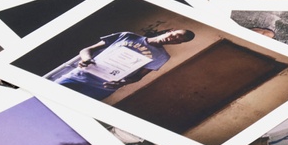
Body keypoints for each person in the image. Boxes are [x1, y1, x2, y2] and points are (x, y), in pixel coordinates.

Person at [45, 29, 196, 100]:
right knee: (44, 98)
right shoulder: (127, 35)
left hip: (100, 89)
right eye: (174, 35)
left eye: (178, 40)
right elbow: (87, 49)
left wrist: (123, 82)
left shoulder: (162, 57)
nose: (173, 39)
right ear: (169, 31)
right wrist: (85, 59)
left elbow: (138, 78)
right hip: (77, 77)